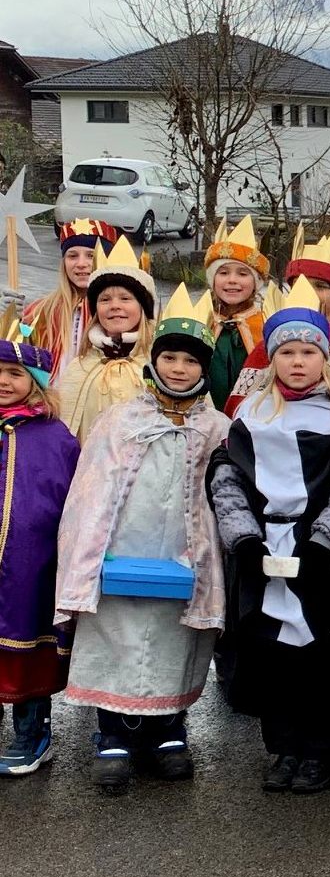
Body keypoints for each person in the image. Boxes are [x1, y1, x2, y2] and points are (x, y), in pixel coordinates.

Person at [54, 283, 230, 794]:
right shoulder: (121, 420)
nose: (178, 368)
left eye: (190, 362)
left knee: (176, 638)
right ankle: (112, 735)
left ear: (204, 370)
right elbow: (89, 492)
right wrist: (89, 556)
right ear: (154, 361)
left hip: (184, 555)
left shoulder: (217, 428)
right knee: (118, 637)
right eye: (169, 357)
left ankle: (168, 730)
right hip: (122, 555)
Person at [206, 277, 330, 794]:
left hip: (320, 553)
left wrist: (324, 543)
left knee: (319, 653)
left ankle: (322, 750)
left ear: (326, 358)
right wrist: (244, 540)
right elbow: (229, 482)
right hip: (261, 547)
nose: (298, 362)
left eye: (308, 352)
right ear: (272, 359)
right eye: (287, 352)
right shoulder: (250, 417)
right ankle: (284, 747)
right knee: (270, 653)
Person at [0, 309, 80, 775]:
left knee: (29, 645)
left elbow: (72, 497)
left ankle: (32, 730)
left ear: (35, 382)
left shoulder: (56, 438)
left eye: (15, 373)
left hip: (33, 564)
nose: (5, 382)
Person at [224, 223, 330, 420]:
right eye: (300, 284)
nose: (309, 293)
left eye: (320, 286)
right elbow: (238, 414)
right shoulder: (268, 349)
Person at [56, 235, 157, 444]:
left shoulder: (159, 362)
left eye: (126, 298)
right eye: (105, 299)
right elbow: (64, 431)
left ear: (143, 308)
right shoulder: (81, 366)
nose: (114, 306)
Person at [23, 218, 119, 381]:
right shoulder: (40, 310)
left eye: (91, 255)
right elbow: (18, 359)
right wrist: (10, 320)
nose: (81, 263)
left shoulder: (121, 312)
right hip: (50, 401)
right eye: (72, 256)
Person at [203, 217, 270, 414]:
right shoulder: (202, 320)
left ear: (256, 282)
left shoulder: (265, 324)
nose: (232, 280)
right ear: (213, 279)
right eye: (223, 273)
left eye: (242, 274)